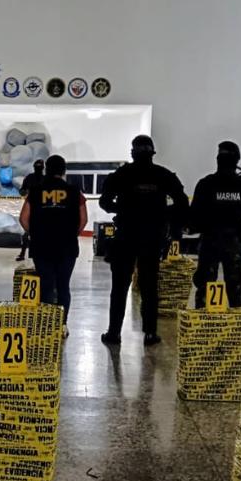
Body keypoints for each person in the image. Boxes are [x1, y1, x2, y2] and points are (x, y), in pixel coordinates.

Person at [98, 135, 189, 346]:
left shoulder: (122, 174)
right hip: (152, 238)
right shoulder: (163, 175)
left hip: (126, 237)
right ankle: (150, 333)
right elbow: (182, 202)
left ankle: (114, 333)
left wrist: (121, 209)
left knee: (119, 287)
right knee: (149, 286)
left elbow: (104, 202)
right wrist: (164, 214)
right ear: (152, 153)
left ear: (132, 152)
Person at [189, 141, 241, 308]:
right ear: (237, 160)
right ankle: (235, 328)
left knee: (204, 287)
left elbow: (194, 216)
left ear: (217, 159)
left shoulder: (206, 184)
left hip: (209, 241)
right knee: (235, 289)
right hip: (234, 242)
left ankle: (201, 326)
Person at [19, 155, 87, 329]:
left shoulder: (35, 191)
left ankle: (48, 327)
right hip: (67, 247)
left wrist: (35, 234)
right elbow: (83, 220)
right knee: (63, 286)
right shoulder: (74, 191)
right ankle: (62, 325)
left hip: (42, 247)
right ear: (63, 171)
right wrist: (71, 235)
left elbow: (23, 219)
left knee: (47, 285)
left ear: (47, 169)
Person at [16, 159, 45, 261]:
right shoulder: (30, 178)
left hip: (42, 208)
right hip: (32, 206)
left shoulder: (44, 179)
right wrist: (24, 191)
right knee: (27, 231)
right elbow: (22, 191)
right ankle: (23, 253)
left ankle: (26, 253)